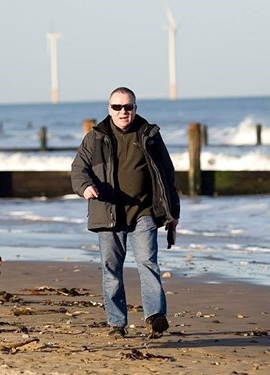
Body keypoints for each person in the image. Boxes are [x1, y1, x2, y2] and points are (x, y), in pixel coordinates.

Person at [71, 87, 180, 338]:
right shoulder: (95, 138)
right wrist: (85, 187)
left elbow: (167, 176)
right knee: (111, 269)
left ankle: (155, 317)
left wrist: (173, 215)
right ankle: (117, 324)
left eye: (128, 107)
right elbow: (78, 169)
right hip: (107, 212)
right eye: (117, 107)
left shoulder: (149, 135)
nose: (123, 112)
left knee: (147, 262)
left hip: (144, 211)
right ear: (109, 109)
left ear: (135, 108)